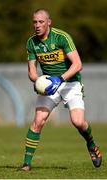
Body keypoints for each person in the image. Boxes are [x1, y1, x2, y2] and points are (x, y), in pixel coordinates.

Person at [19, 8, 102, 171]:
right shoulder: (31, 43)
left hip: (70, 83)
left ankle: (91, 144)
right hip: (50, 85)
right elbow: (32, 72)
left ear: (49, 22)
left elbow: (78, 65)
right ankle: (26, 164)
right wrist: (39, 82)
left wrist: (60, 79)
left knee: (78, 122)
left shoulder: (61, 37)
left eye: (41, 22)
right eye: (35, 22)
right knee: (38, 121)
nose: (37, 25)